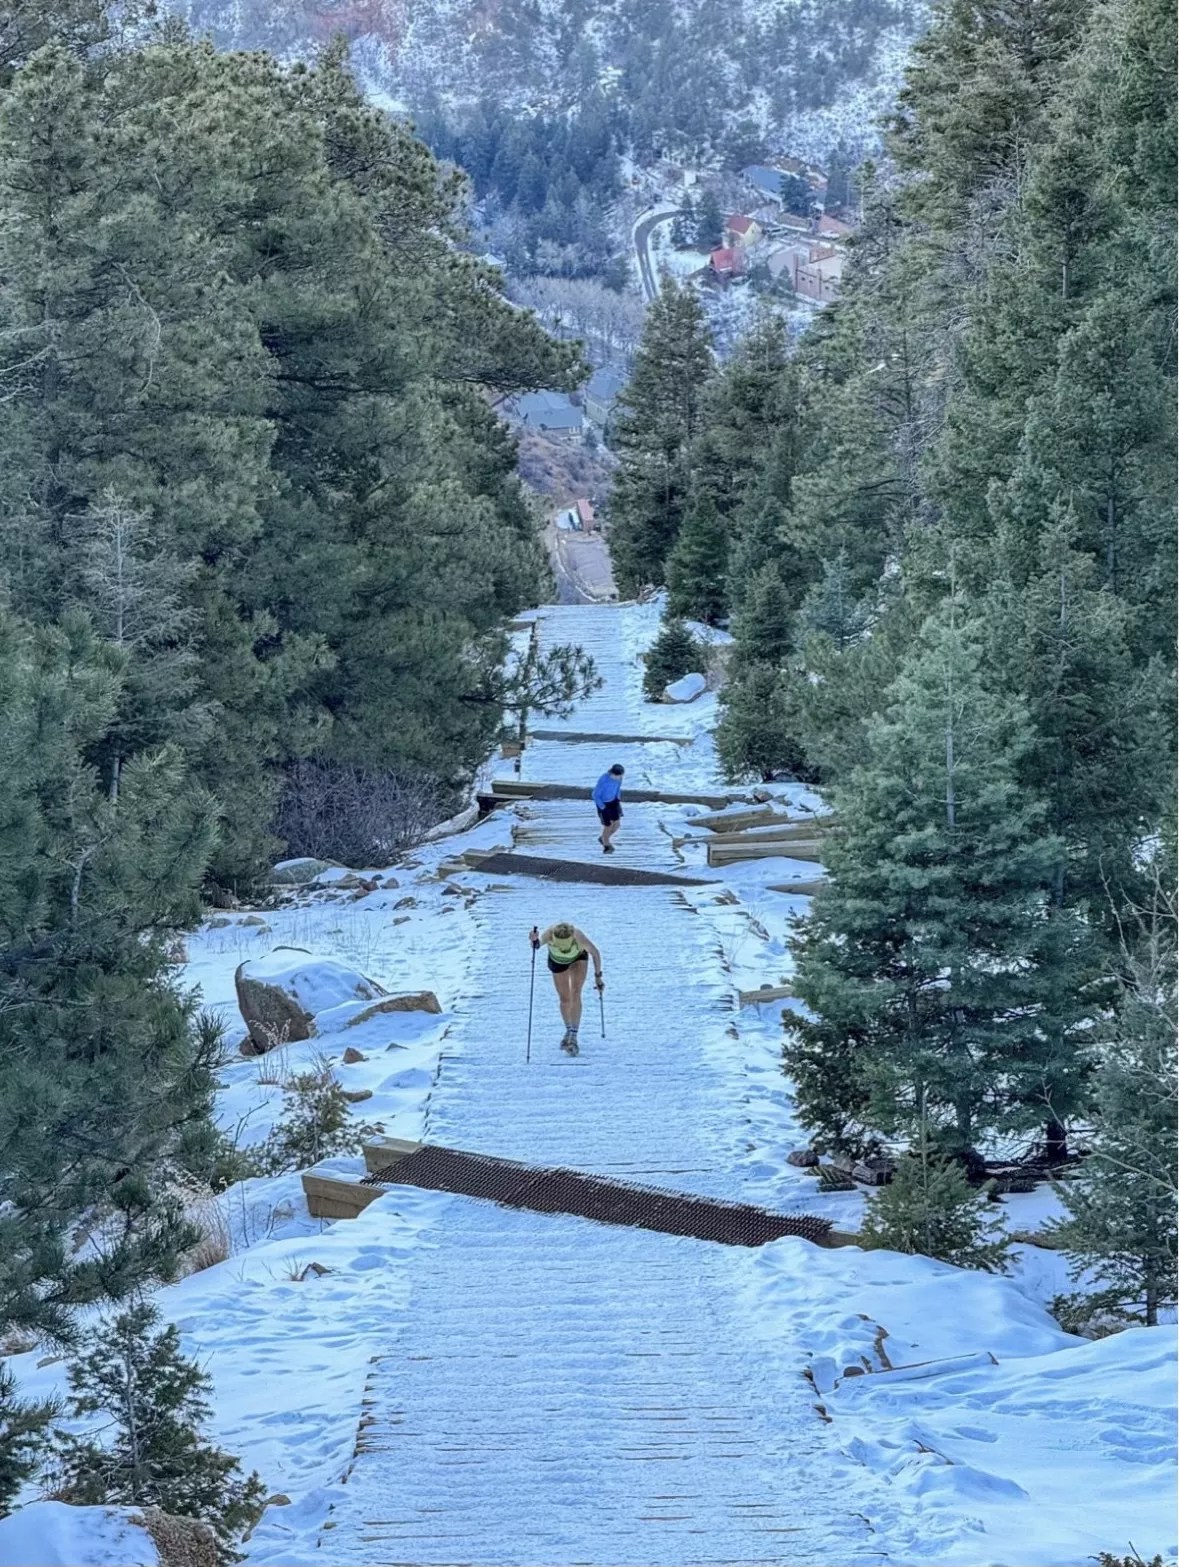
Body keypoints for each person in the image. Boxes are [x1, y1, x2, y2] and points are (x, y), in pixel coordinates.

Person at [530, 922, 603, 1054]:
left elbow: (595, 953)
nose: (563, 948)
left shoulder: (578, 936)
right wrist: (534, 940)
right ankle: (568, 1029)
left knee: (576, 992)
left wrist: (598, 977)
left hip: (578, 958)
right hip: (557, 961)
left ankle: (573, 1035)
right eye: (560, 944)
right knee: (564, 998)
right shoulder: (549, 933)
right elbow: (537, 945)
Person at [592, 763, 625, 854]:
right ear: (611, 773)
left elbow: (618, 788)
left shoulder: (619, 778)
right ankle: (606, 845)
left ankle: (603, 838)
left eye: (620, 776)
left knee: (617, 825)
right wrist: (602, 807)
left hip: (614, 802)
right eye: (616, 776)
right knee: (608, 825)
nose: (618, 778)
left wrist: (618, 799)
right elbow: (595, 795)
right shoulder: (604, 780)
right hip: (604, 804)